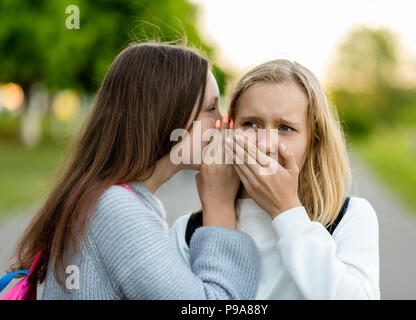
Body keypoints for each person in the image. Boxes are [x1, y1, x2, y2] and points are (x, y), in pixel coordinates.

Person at [6, 43, 260, 299]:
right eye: (210, 108)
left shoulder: (112, 198)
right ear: (165, 112)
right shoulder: (115, 208)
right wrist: (219, 203)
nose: (223, 120)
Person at [170, 59, 380, 299]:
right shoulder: (188, 231)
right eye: (251, 124)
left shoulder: (349, 217)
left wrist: (286, 210)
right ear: (229, 131)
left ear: (313, 142)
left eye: (285, 128)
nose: (265, 144)